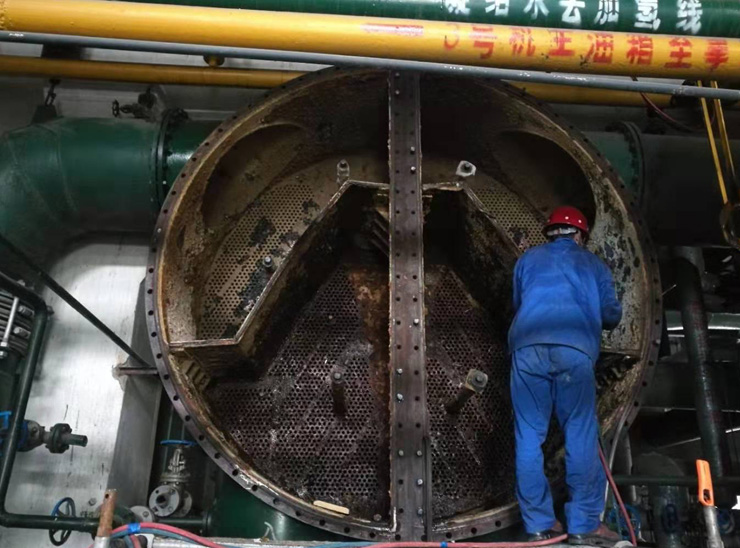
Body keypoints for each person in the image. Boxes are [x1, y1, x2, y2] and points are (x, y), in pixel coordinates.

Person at [508, 206, 624, 546]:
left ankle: (539, 525)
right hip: (573, 349)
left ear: (550, 232)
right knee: (579, 433)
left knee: (528, 436)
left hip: (527, 349)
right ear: (580, 236)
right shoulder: (593, 264)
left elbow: (518, 303)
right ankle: (584, 524)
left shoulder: (527, 260)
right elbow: (612, 315)